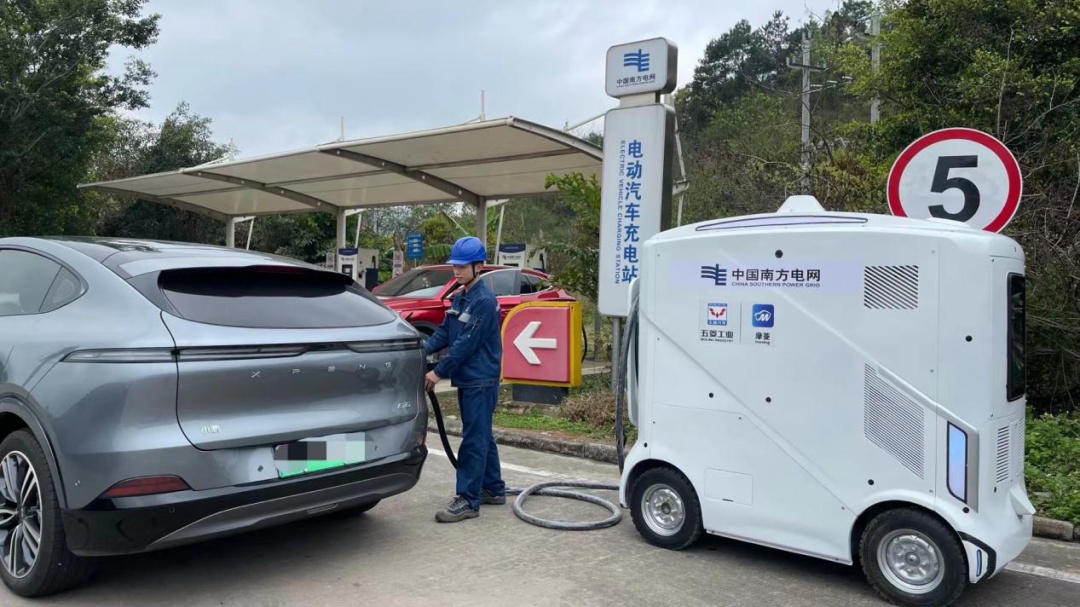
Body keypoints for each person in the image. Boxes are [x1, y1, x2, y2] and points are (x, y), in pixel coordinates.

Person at [422, 236, 506, 522]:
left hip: (480, 379)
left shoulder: (483, 301)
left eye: (462, 266)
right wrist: (420, 351)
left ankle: (469, 500)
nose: (456, 271)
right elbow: (445, 332)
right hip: (470, 378)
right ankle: (492, 488)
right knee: (481, 434)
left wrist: (437, 372)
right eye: (455, 265)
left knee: (473, 440)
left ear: (478, 267)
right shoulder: (461, 296)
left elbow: (465, 344)